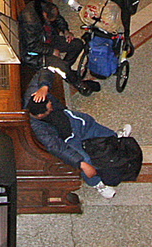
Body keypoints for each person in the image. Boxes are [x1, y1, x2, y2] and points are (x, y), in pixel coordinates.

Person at [22, 66, 131, 199]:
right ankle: (97, 184)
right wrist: (82, 164)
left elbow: (46, 70)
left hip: (75, 121)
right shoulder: (39, 128)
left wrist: (44, 86)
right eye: (49, 108)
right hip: (69, 139)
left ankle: (115, 136)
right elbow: (56, 147)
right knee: (85, 159)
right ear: (40, 115)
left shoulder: (35, 94)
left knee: (99, 129)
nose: (51, 104)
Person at [19, 0, 82, 68]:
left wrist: (65, 30)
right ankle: (63, 69)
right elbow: (32, 45)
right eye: (49, 21)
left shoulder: (47, 6)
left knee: (77, 44)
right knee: (61, 66)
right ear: (45, 15)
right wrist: (51, 51)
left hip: (48, 37)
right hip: (37, 49)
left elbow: (58, 18)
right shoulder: (29, 21)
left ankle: (64, 67)